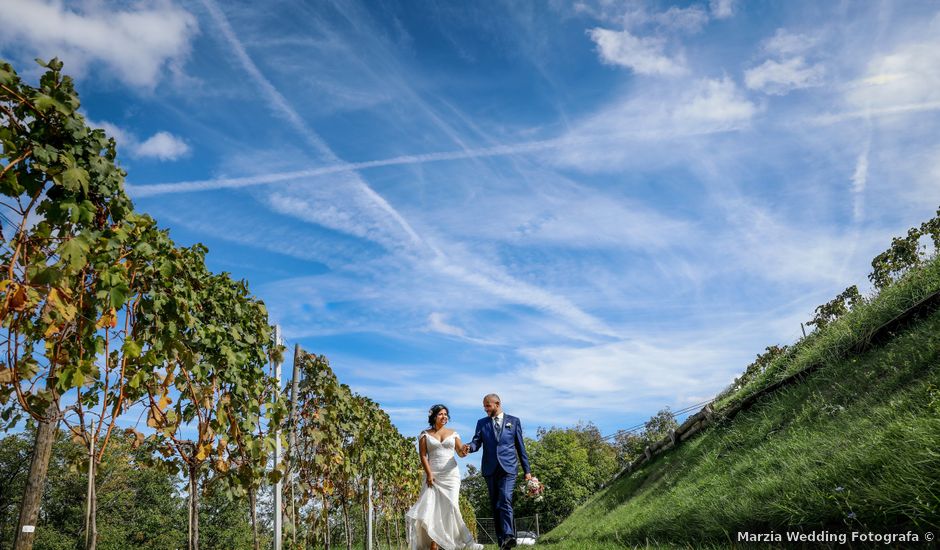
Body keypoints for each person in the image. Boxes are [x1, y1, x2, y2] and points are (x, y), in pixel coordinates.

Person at [405, 404, 483, 550]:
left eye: (446, 414)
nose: (444, 416)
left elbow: (460, 452)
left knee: (451, 507)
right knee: (432, 508)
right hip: (433, 475)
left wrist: (465, 450)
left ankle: (462, 541)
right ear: (434, 416)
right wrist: (429, 474)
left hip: (451, 476)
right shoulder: (425, 434)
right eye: (441, 414)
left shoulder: (453, 434)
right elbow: (422, 455)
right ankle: (434, 543)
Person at [461, 394, 532, 550]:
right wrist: (468, 447)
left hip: (509, 469)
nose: (485, 409)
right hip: (490, 469)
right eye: (484, 406)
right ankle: (503, 544)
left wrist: (527, 471)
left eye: (488, 405)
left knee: (505, 499)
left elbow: (521, 448)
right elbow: (476, 442)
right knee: (495, 505)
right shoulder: (482, 423)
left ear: (497, 404)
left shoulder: (514, 421)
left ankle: (509, 535)